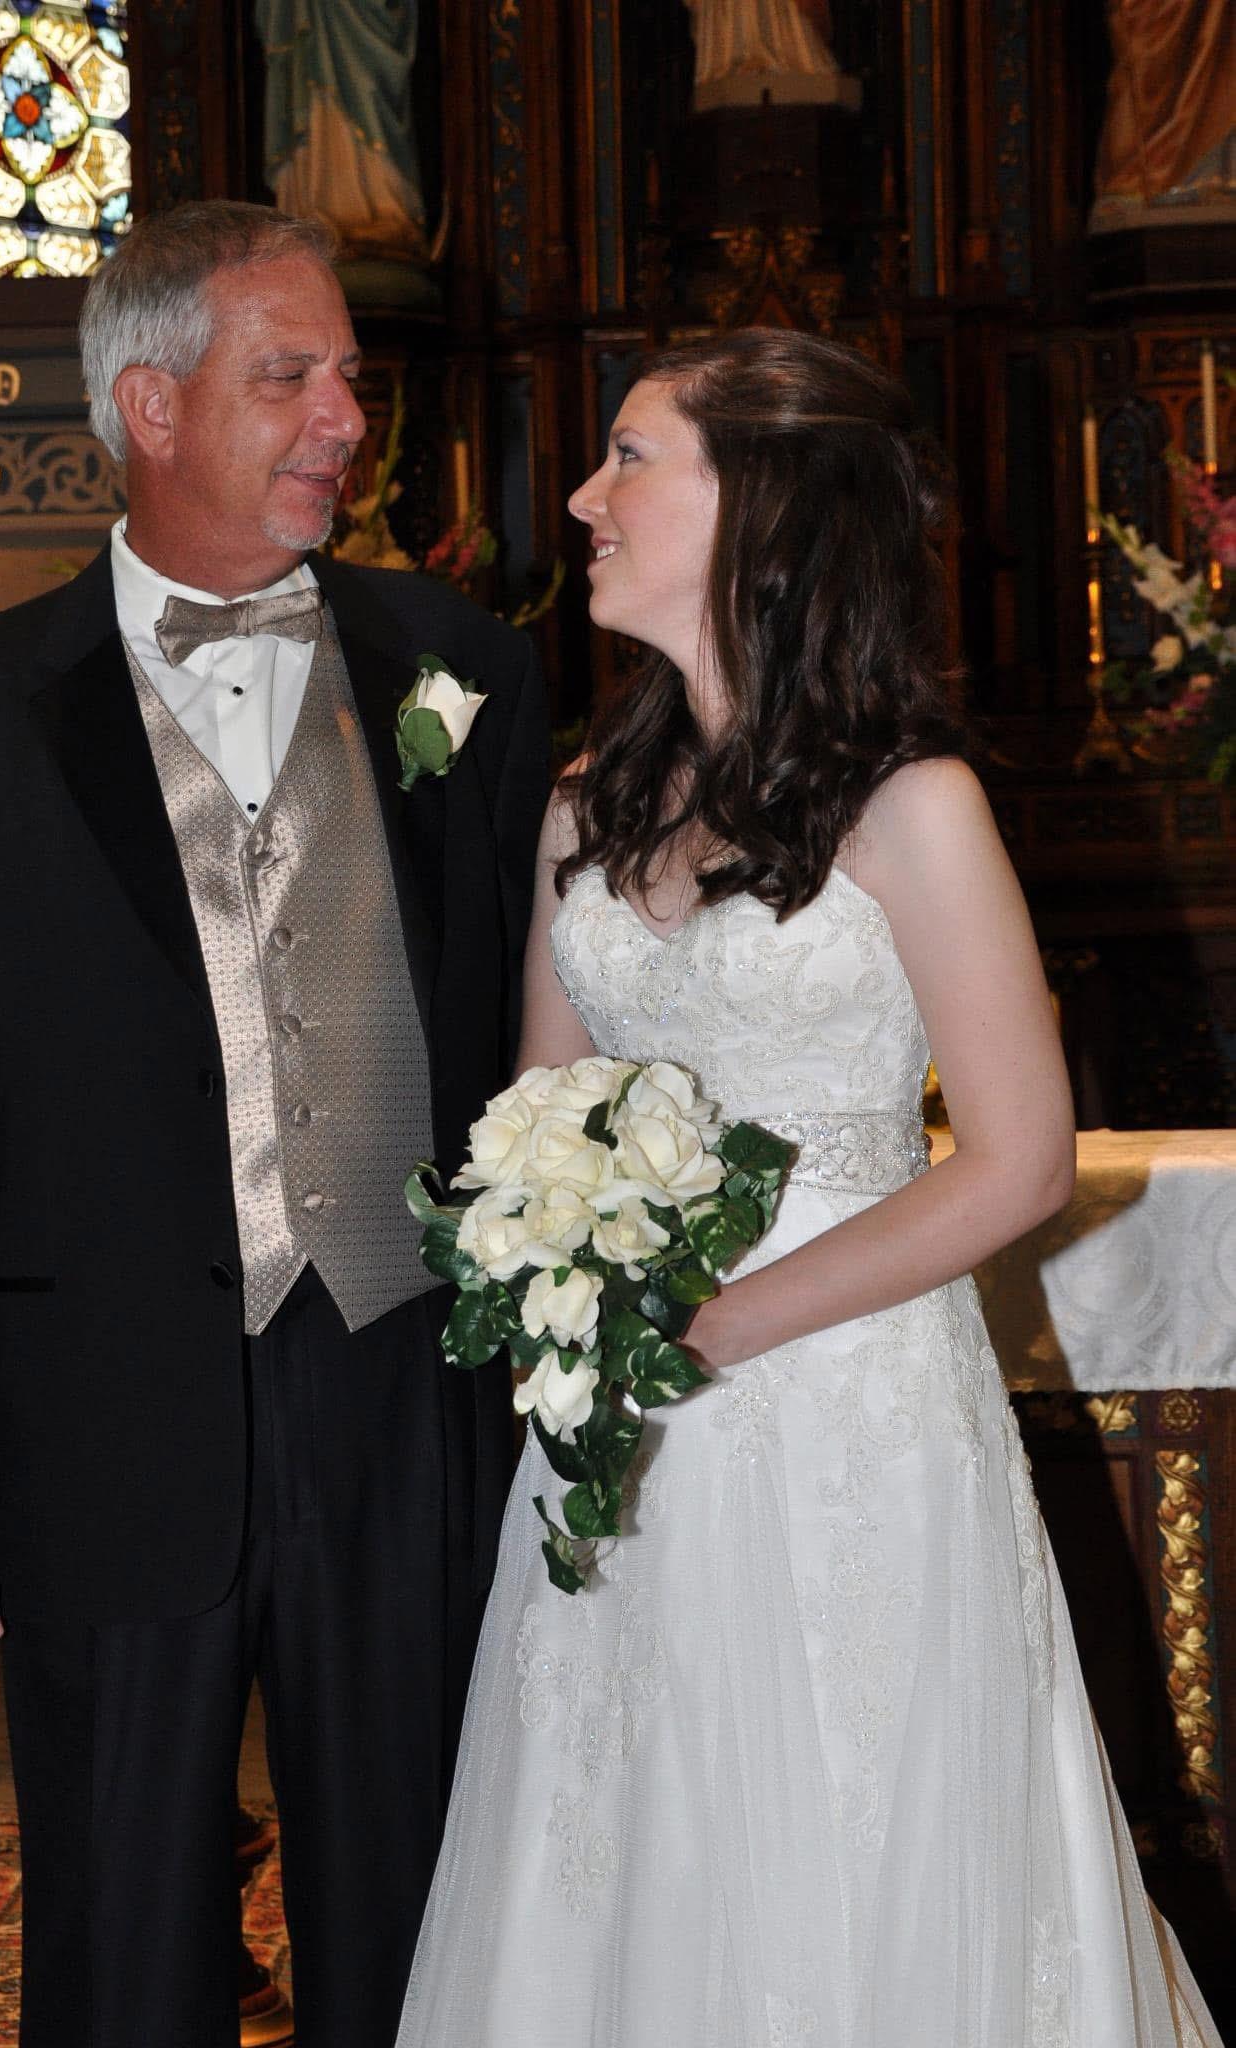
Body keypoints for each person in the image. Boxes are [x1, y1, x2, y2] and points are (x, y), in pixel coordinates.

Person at [395, 329, 1224, 2047]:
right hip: (627, 1425)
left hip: (849, 1413)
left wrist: (710, 1325)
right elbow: (541, 1121)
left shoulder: (912, 805)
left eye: (631, 458)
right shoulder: (581, 812)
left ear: (763, 508)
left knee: (860, 1836)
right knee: (625, 1833)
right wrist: (561, 1296)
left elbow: (1017, 1158)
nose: (581, 498)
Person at [0, 200, 548, 2048]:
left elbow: (534, 1044)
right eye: (288, 376)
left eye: (349, 381)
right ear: (148, 404)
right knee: (122, 1923)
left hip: (404, 1393)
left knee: (418, 1908)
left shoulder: (458, 667)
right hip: (99, 1415)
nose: (342, 420)